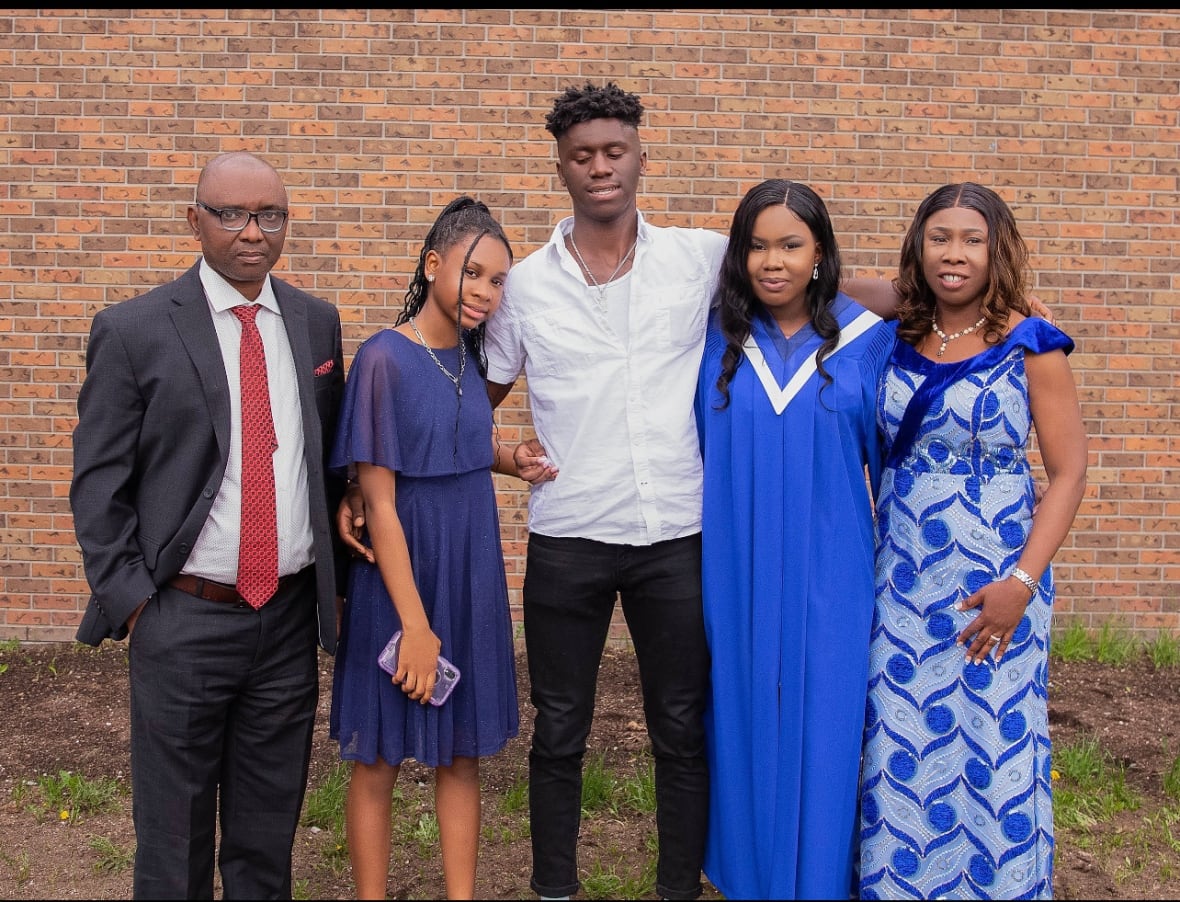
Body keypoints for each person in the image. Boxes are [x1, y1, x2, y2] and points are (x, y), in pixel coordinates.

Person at [69, 151, 348, 899]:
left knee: (266, 840)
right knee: (173, 840)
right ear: (194, 221)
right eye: (231, 214)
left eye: (270, 215)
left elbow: (327, 467)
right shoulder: (133, 332)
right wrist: (135, 602)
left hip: (285, 621)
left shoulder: (316, 326)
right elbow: (99, 483)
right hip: (183, 618)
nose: (252, 231)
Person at [857, 183, 1087, 899]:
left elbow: (1070, 471)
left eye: (972, 240)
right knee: (897, 741)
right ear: (917, 247)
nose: (954, 253)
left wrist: (1021, 584)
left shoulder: (1030, 344)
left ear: (999, 249)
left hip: (997, 582)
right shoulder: (891, 336)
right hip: (900, 579)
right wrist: (910, 290)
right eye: (939, 238)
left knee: (993, 738)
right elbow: (820, 277)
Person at [693, 178, 894, 900]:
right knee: (741, 715)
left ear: (820, 254)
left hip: (833, 573)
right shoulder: (716, 335)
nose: (771, 261)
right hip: (736, 569)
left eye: (790, 244)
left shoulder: (870, 343)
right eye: (756, 245)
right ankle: (751, 881)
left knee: (828, 725)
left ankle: (822, 883)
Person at [328, 196, 521, 900]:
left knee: (463, 756)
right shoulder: (385, 357)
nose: (486, 292)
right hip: (402, 575)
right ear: (433, 263)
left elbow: (449, 441)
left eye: (499, 281)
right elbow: (379, 499)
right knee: (377, 757)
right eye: (475, 273)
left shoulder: (470, 359)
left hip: (470, 570)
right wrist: (413, 624)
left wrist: (509, 457)